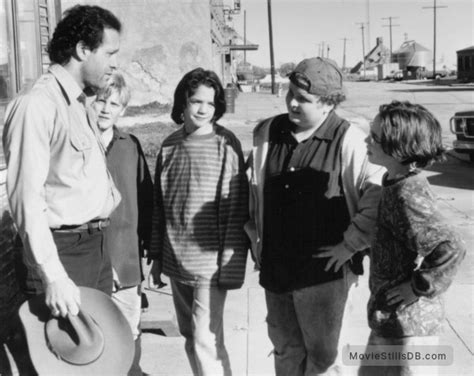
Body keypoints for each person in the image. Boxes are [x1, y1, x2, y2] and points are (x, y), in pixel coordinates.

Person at [245, 57, 385, 376]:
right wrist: (254, 236)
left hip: (324, 276)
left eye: (303, 99)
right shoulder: (267, 132)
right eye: (290, 92)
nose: (292, 103)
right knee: (285, 350)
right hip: (277, 269)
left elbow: (377, 194)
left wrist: (351, 244)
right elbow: (251, 189)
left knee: (324, 359)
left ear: (328, 103)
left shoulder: (350, 140)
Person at [3, 3, 122, 324]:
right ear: (83, 49)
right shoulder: (37, 104)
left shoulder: (80, 102)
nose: (115, 65)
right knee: (67, 362)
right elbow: (26, 199)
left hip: (93, 247)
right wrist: (53, 275)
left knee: (100, 358)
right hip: (64, 253)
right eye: (110, 54)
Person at [148, 67, 249, 376]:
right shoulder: (169, 145)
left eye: (211, 103)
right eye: (196, 101)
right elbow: (159, 205)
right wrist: (156, 256)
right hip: (177, 260)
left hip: (211, 265)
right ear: (183, 103)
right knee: (191, 338)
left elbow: (237, 207)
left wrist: (231, 264)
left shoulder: (225, 143)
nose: (203, 109)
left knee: (207, 339)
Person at [359, 101, 466, 376]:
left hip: (410, 329)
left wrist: (417, 287)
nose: (366, 140)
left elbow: (451, 246)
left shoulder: (408, 193)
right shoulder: (395, 183)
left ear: (399, 148)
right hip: (391, 321)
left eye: (375, 137)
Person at [93, 72, 153, 376]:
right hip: (88, 261)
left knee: (128, 330)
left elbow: (145, 200)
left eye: (113, 104)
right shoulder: (76, 144)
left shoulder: (130, 146)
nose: (105, 108)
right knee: (94, 335)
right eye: (101, 100)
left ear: (122, 110)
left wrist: (148, 251)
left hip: (126, 260)